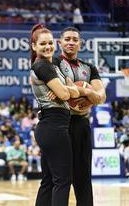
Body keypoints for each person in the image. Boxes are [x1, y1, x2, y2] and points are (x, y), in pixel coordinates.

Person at [54, 26, 106, 206]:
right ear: (59, 43)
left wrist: (84, 93)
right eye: (67, 39)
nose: (71, 42)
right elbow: (64, 92)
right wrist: (87, 92)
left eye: (75, 39)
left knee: (83, 176)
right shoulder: (53, 64)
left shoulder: (89, 67)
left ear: (80, 43)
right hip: (60, 123)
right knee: (60, 177)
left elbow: (101, 96)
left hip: (82, 124)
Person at [29, 24, 79, 206]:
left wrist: (65, 89)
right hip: (54, 126)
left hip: (50, 127)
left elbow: (71, 90)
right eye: (43, 44)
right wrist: (66, 90)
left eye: (50, 43)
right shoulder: (43, 66)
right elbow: (68, 95)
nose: (48, 46)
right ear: (34, 46)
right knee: (63, 180)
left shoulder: (54, 64)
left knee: (49, 180)